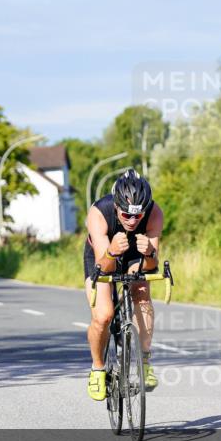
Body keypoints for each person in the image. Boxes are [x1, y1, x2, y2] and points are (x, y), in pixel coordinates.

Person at [83, 169, 164, 401]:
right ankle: (98, 369)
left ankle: (145, 361)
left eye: (137, 216)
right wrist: (111, 251)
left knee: (141, 293)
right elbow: (103, 266)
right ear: (116, 206)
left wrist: (149, 253)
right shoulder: (99, 212)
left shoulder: (154, 213)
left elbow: (152, 265)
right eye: (126, 214)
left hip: (134, 255)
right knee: (103, 316)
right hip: (103, 255)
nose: (131, 221)